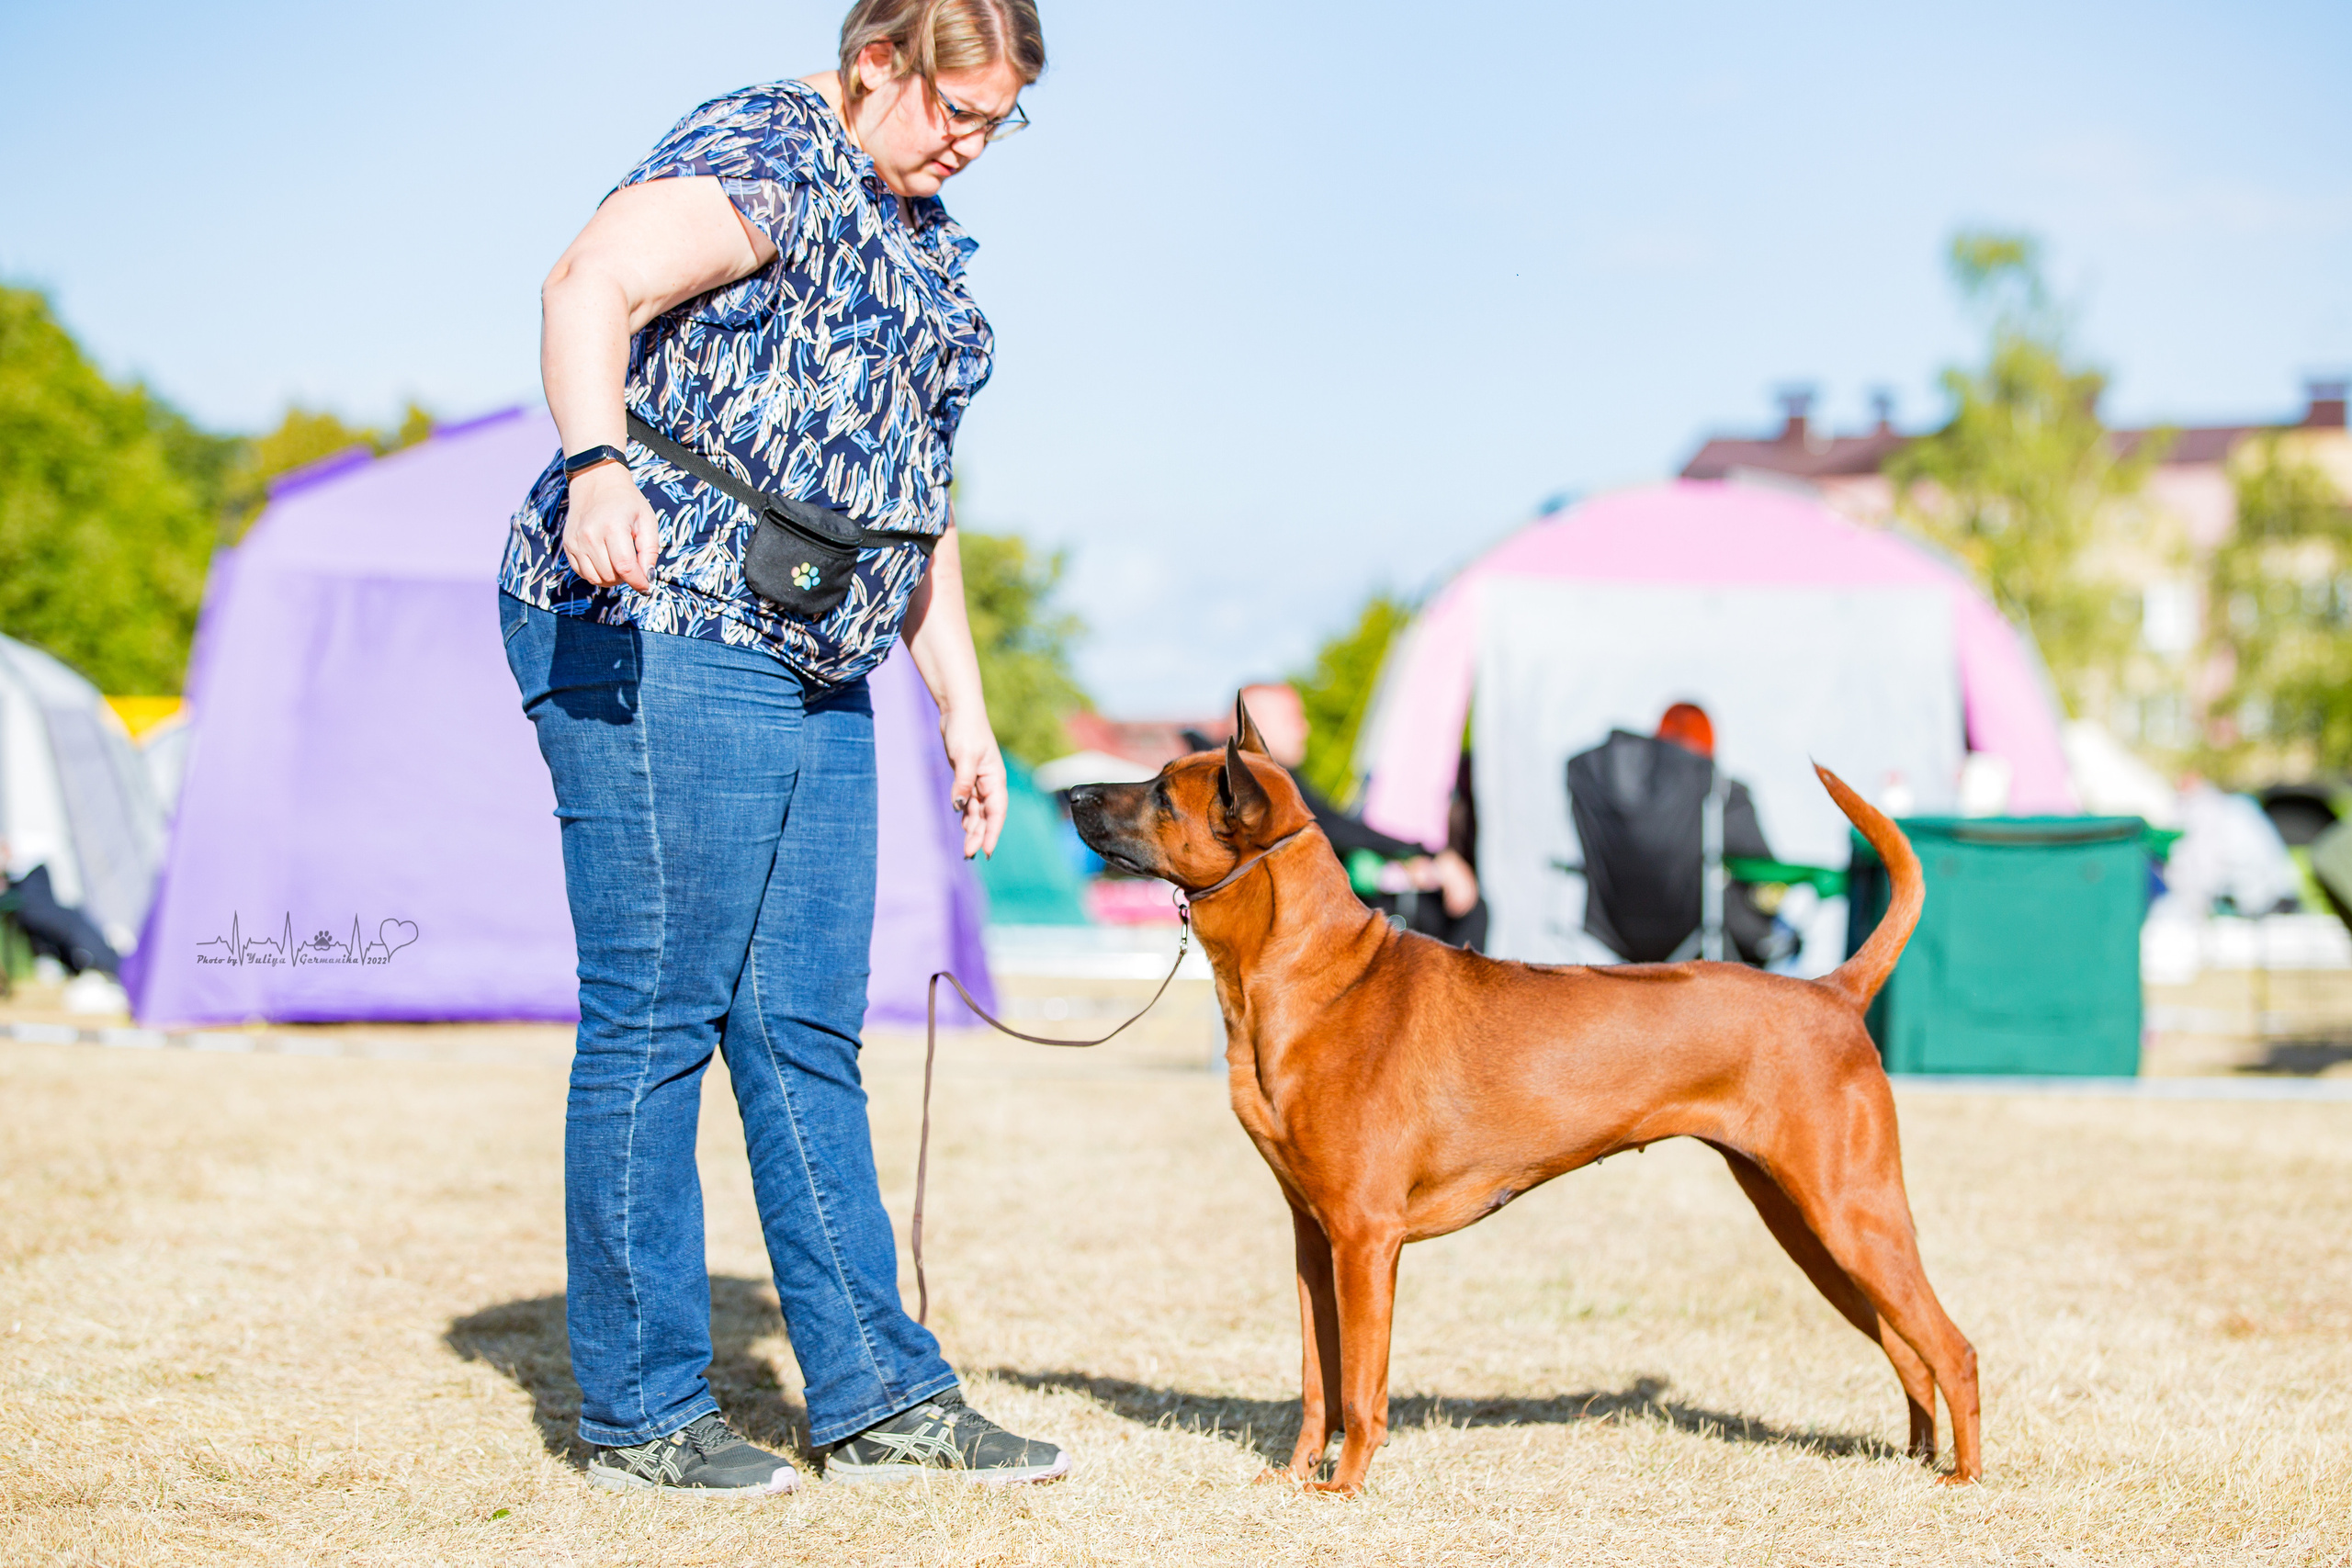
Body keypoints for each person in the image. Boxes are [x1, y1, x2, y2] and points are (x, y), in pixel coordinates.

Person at [496, 0, 1066, 1497]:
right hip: (660, 610)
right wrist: (595, 466)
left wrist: (962, 704)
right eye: (956, 109)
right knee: (658, 1011)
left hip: (819, 645)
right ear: (878, 60)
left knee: (806, 1023)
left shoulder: (919, 230)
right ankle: (642, 1411)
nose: (972, 143)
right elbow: (586, 281)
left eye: (999, 122)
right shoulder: (770, 146)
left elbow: (916, 496)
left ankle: (879, 1395)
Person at [1235, 682, 1487, 950]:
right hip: (1291, 939)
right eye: (1292, 718)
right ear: (1257, 723)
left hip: (1302, 925)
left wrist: (1405, 863)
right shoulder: (1256, 781)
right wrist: (1428, 854)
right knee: (1466, 910)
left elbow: (1332, 836)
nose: (1304, 728)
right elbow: (1334, 829)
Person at [1566, 702, 1792, 965]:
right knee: (1780, 932)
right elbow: (1766, 874)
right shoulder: (1722, 795)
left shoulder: (1596, 777)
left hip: (1620, 934)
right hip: (1702, 938)